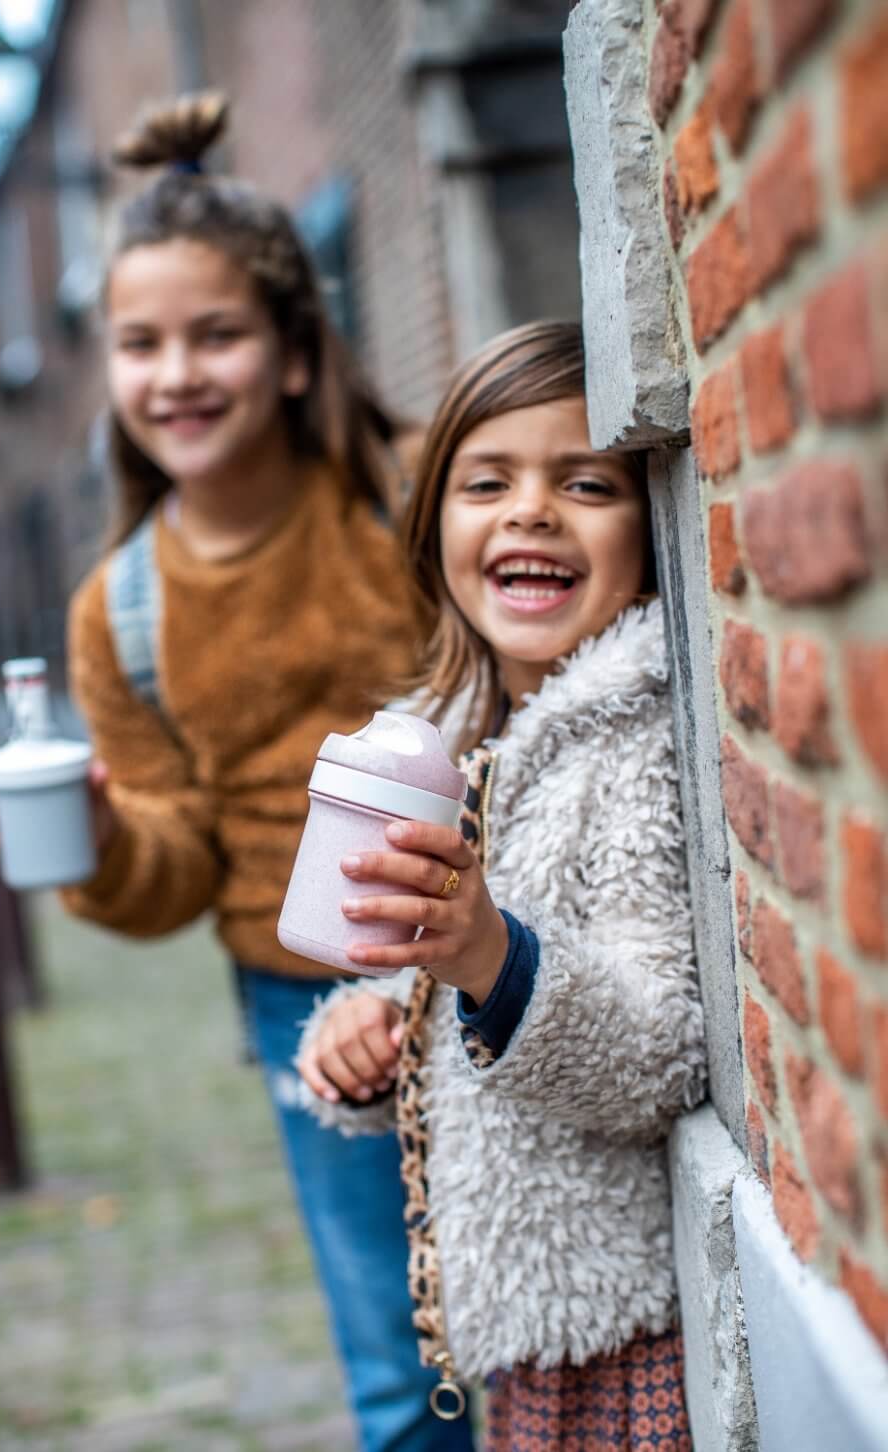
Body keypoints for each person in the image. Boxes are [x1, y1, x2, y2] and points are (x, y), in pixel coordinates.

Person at [0, 91, 474, 1452]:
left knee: (549, 1323)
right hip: (302, 998)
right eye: (141, 344)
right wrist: (101, 833)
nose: (176, 374)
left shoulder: (414, 495)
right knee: (406, 1364)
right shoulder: (117, 609)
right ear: (109, 374)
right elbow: (173, 866)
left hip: (492, 951)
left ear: (297, 353)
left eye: (217, 335)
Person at [298, 321, 707, 1450]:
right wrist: (361, 1034)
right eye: (488, 483)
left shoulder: (631, 742)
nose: (530, 510)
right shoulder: (455, 739)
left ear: (649, 520)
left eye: (582, 482)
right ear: (435, 531)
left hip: (620, 1335)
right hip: (521, 1333)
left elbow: (653, 1055)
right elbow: (431, 995)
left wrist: (485, 952)